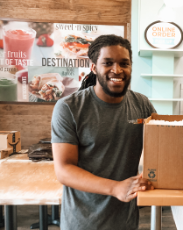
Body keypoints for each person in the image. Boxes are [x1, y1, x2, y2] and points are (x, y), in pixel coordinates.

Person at [51, 34, 156, 230]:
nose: (117, 70)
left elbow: (162, 146)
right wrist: (116, 187)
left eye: (124, 63)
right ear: (94, 67)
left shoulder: (142, 105)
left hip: (125, 221)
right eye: (108, 63)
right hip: (83, 222)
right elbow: (64, 170)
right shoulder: (69, 108)